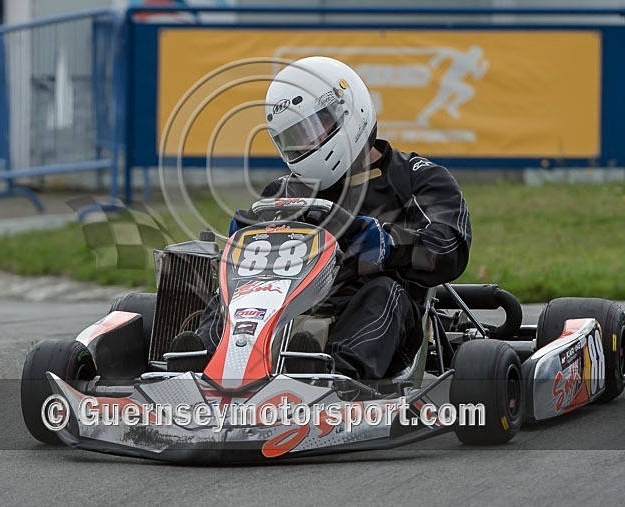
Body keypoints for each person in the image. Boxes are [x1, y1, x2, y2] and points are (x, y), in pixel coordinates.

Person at [169, 56, 472, 381]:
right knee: (237, 289)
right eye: (295, 137)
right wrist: (244, 246)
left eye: (314, 128)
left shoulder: (417, 179)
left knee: (384, 289)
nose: (307, 143)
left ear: (349, 110)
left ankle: (334, 377)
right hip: (290, 314)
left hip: (384, 325)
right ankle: (198, 363)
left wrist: (387, 244)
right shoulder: (281, 193)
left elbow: (449, 248)